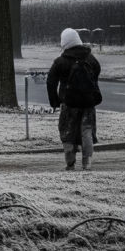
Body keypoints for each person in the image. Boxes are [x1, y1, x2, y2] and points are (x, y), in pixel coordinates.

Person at [47, 27, 103, 171]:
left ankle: (70, 162)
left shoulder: (61, 61)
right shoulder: (90, 58)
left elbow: (51, 81)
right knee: (87, 130)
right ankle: (87, 162)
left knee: (67, 132)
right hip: (88, 103)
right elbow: (97, 72)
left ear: (64, 42)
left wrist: (55, 101)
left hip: (69, 103)